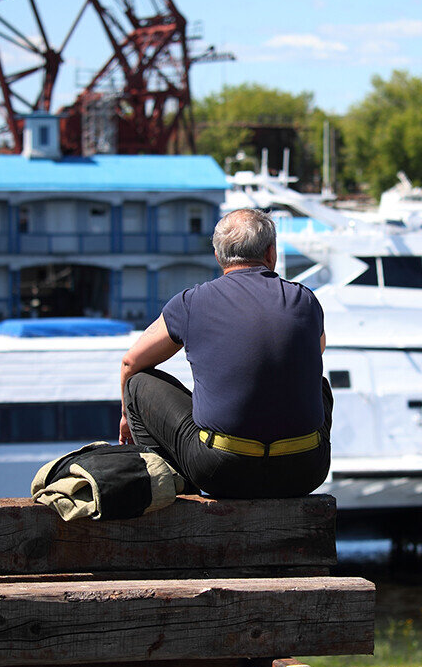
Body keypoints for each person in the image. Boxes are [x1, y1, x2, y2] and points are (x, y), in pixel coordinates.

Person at [118, 208, 332, 499]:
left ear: (219, 257)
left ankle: (175, 489)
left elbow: (131, 362)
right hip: (306, 470)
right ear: (272, 254)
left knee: (137, 383)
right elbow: (314, 355)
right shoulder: (305, 300)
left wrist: (126, 417)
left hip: (223, 471)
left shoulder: (192, 302)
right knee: (320, 386)